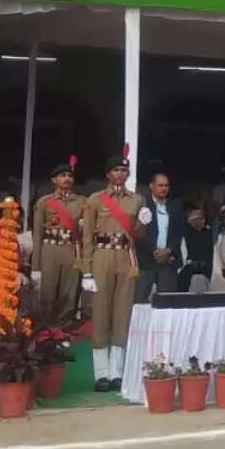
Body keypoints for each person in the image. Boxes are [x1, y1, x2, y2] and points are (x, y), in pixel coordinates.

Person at [82, 158, 145, 391]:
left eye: (124, 170)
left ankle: (118, 371)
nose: (120, 174)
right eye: (116, 170)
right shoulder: (95, 199)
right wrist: (86, 270)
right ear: (108, 174)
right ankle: (101, 374)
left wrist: (142, 225)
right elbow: (87, 236)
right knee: (100, 311)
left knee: (122, 312)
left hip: (126, 256)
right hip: (102, 255)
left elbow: (138, 234)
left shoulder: (137, 199)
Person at [32, 161, 86, 319]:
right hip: (50, 250)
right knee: (47, 294)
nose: (67, 178)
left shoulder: (82, 202)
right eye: (62, 176)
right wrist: (36, 266)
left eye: (70, 175)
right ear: (54, 180)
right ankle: (45, 332)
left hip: (72, 249)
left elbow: (88, 231)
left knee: (69, 295)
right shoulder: (44, 202)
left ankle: (65, 331)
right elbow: (37, 234)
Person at [136, 170, 186, 300]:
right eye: (160, 185)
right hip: (146, 261)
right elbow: (139, 233)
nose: (164, 188)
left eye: (166, 186)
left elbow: (179, 232)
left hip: (168, 262)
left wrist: (168, 250)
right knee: (138, 301)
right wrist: (154, 251)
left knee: (167, 303)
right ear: (151, 186)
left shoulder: (175, 206)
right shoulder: (142, 204)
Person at [178, 203, 215, 293]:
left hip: (207, 268)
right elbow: (183, 254)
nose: (200, 221)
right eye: (197, 219)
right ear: (190, 221)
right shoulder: (185, 234)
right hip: (190, 268)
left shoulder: (210, 233)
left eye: (202, 218)